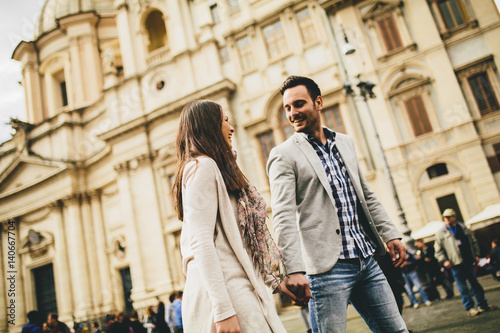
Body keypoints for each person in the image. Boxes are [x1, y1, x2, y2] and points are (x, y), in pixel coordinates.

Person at [267, 75, 408, 333]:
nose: (292, 113)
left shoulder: (345, 142)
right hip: (326, 269)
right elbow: (283, 215)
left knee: (397, 331)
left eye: (299, 104)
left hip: (366, 258)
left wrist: (390, 234)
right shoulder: (283, 155)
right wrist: (294, 269)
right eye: (287, 108)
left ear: (318, 102)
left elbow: (366, 195)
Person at [172, 100, 287, 332]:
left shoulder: (212, 168)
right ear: (210, 126)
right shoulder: (202, 167)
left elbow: (242, 244)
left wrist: (275, 282)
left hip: (234, 288)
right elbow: (201, 241)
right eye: (224, 121)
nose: (231, 127)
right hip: (225, 292)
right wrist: (223, 310)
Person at [434, 208, 497, 316]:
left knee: (475, 284)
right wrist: (444, 261)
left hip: (468, 261)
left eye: (449, 217)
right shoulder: (441, 233)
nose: (447, 219)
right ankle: (470, 308)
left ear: (454, 217)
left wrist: (476, 255)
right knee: (462, 287)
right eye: (445, 217)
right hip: (455, 264)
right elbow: (438, 251)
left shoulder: (463, 228)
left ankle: (482, 305)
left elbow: (473, 242)